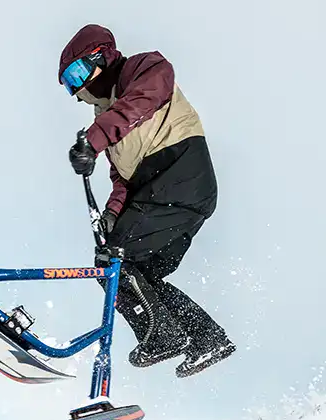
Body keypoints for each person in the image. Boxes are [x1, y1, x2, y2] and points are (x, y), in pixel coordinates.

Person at [58, 23, 235, 377]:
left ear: (102, 56)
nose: (78, 89)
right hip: (164, 195)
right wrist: (111, 214)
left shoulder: (144, 69)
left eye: (77, 73)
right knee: (132, 275)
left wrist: (93, 140)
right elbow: (122, 180)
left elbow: (145, 97)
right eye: (68, 84)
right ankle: (205, 339)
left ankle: (162, 337)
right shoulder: (107, 120)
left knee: (114, 260)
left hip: (178, 176)